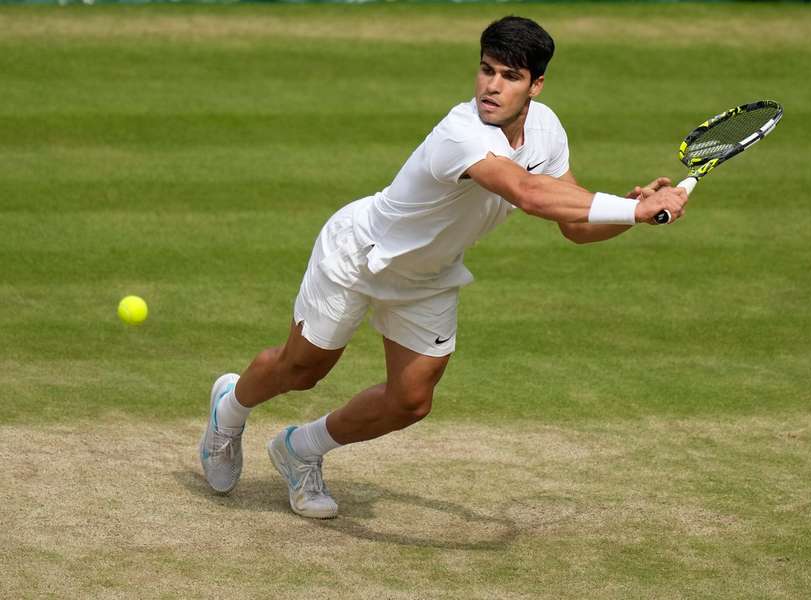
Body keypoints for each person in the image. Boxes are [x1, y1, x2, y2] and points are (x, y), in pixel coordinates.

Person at [199, 15, 688, 519]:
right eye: (487, 70)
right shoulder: (462, 131)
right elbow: (528, 193)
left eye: (510, 76)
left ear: (536, 85)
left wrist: (635, 215)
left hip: (429, 275)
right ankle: (228, 410)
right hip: (359, 255)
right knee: (301, 370)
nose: (492, 87)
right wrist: (631, 208)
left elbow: (577, 224)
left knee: (410, 401)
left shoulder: (547, 131)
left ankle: (299, 450)